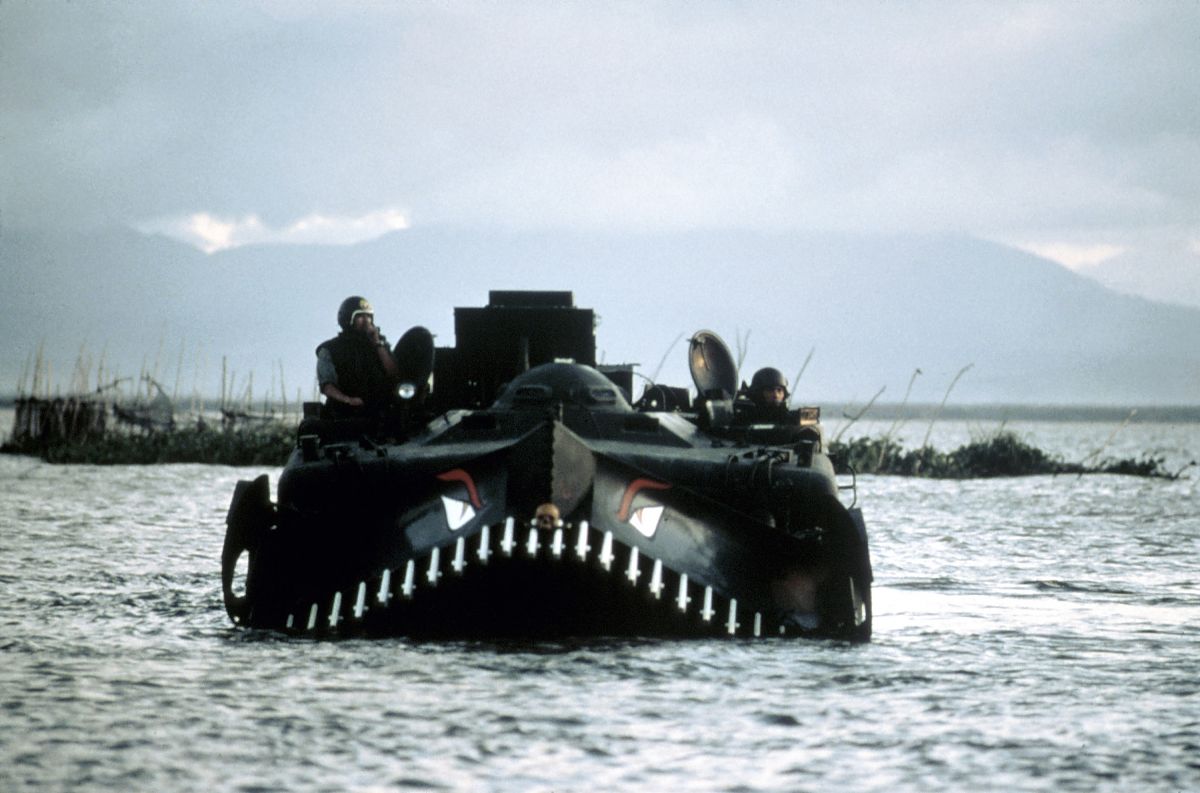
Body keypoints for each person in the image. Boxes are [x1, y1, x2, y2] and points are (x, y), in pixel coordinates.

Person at [316, 296, 400, 417]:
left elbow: (393, 373)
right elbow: (327, 386)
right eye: (360, 316)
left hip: (380, 412)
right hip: (345, 414)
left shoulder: (379, 346)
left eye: (369, 316)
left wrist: (377, 344)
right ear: (347, 318)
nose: (366, 321)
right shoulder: (330, 349)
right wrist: (348, 400)